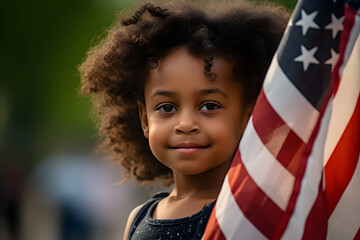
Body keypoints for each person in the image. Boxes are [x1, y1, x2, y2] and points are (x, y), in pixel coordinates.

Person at [79, 1, 289, 239]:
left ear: (247, 116)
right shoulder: (138, 218)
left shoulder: (250, 217)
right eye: (167, 107)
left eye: (209, 106)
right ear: (145, 120)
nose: (186, 124)